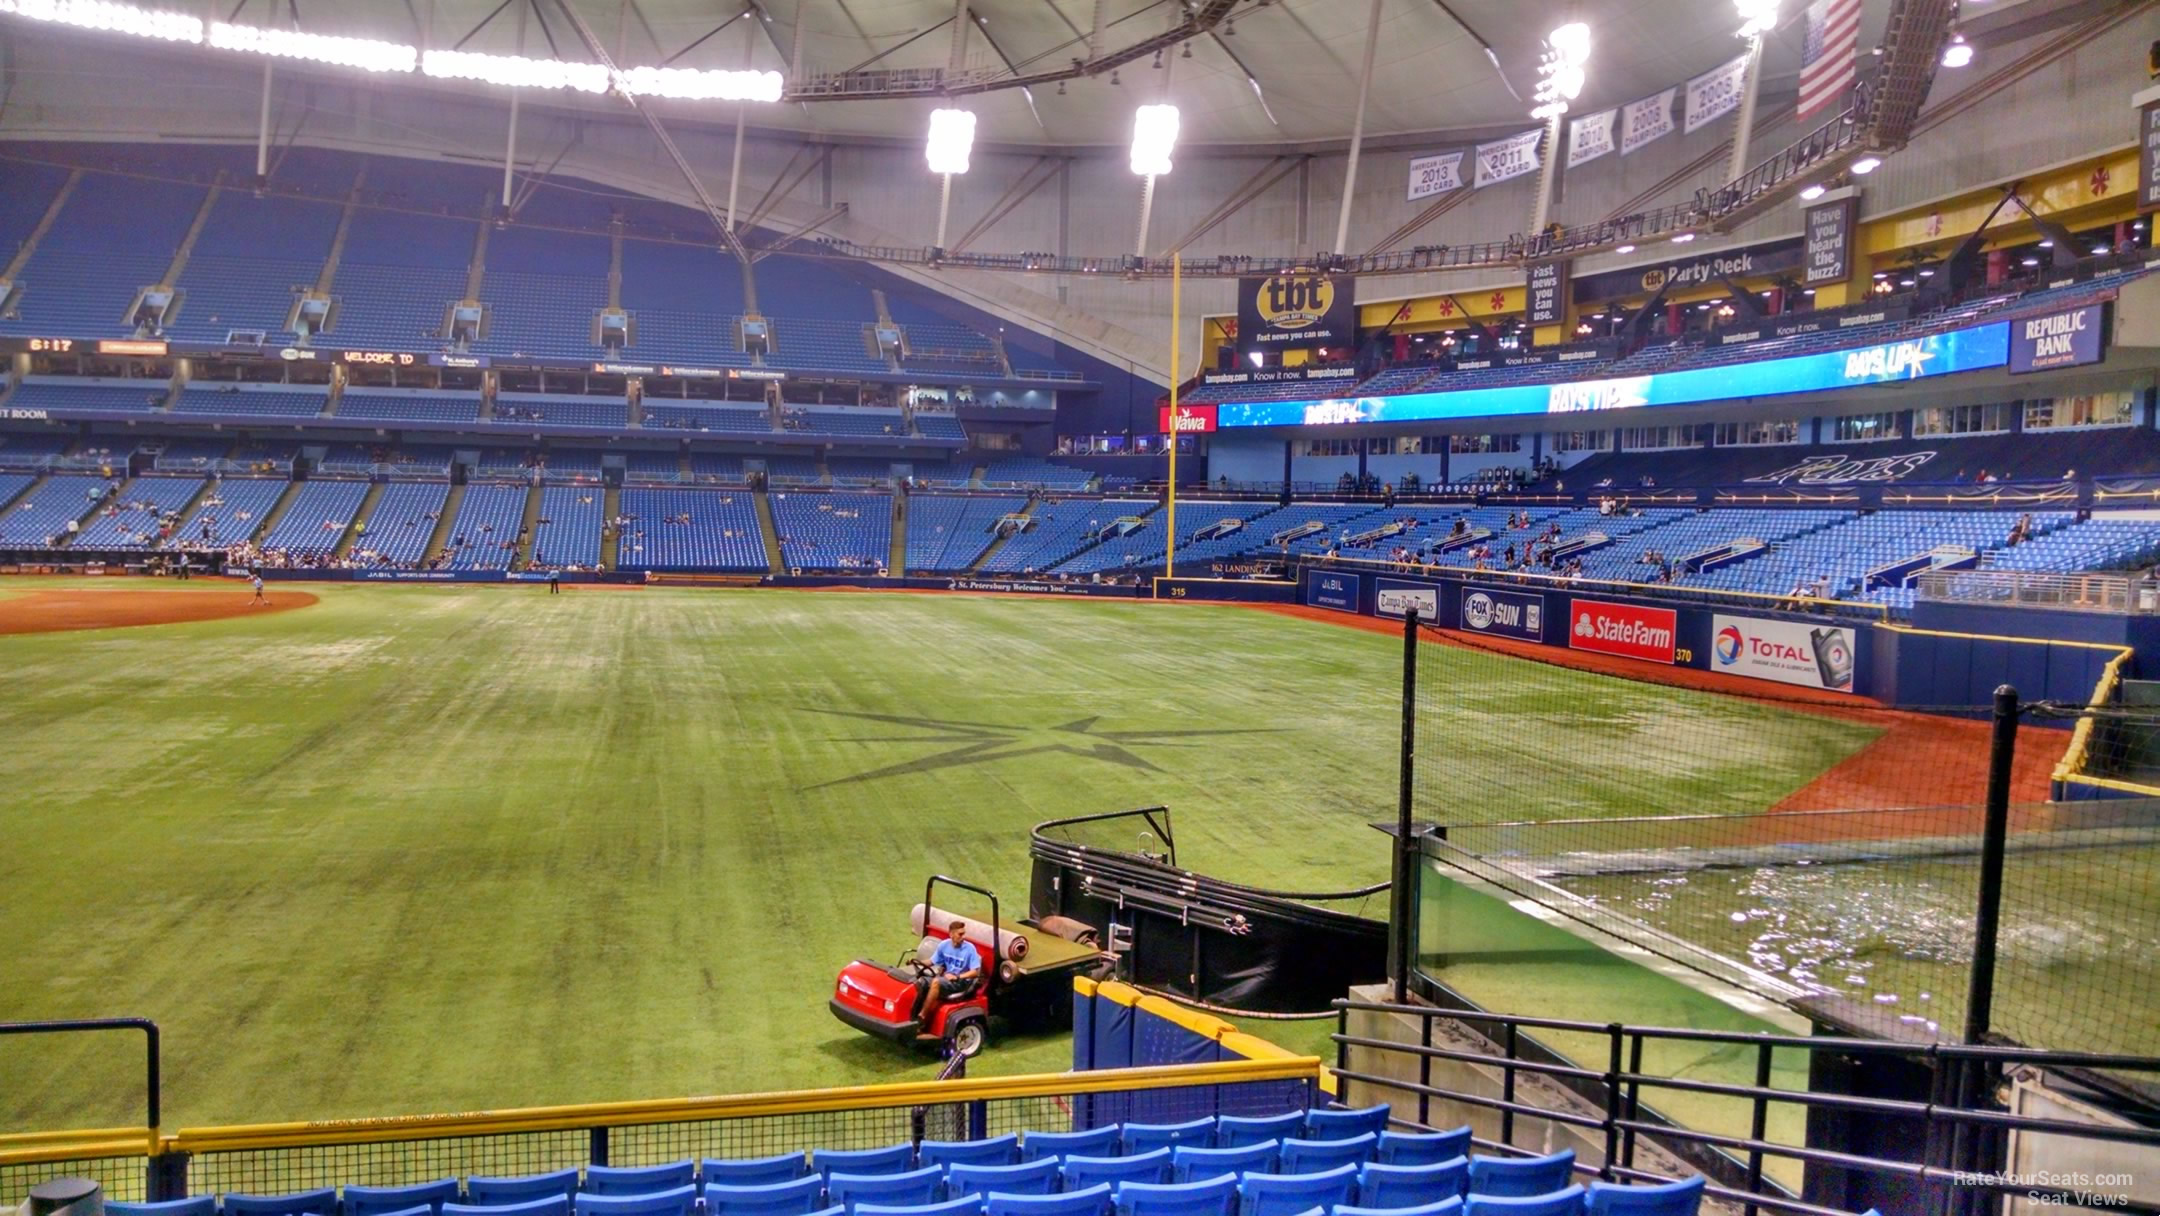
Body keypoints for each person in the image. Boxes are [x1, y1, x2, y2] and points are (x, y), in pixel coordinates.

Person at [916, 918, 983, 1030]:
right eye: (960, 934)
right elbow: (932, 961)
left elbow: (975, 972)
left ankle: (922, 1017)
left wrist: (957, 976)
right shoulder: (944, 945)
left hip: (961, 982)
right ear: (951, 934)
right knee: (921, 981)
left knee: (936, 982)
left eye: (963, 934)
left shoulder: (970, 949)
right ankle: (913, 1013)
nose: (963, 937)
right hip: (947, 979)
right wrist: (917, 962)